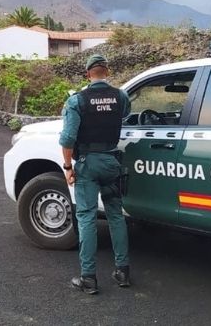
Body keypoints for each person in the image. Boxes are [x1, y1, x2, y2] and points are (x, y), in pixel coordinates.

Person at [59, 54, 131, 295]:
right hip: (112, 162)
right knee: (116, 216)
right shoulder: (121, 97)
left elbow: (68, 138)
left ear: (88, 74)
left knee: (87, 217)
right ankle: (123, 272)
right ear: (107, 71)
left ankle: (88, 278)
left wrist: (68, 167)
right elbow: (122, 114)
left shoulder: (77, 101)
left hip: (88, 165)